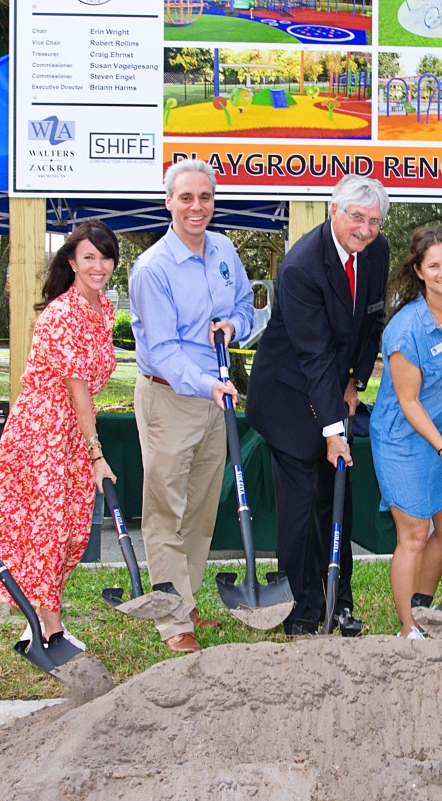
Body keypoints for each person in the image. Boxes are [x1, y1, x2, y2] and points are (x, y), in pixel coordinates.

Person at [245, 174, 390, 635]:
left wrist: (356, 383)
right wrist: (332, 432)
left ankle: (338, 602)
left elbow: (372, 322)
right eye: (356, 218)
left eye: (374, 220)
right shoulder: (302, 266)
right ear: (333, 211)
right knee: (302, 507)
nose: (365, 229)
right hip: (288, 396)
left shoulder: (376, 253)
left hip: (332, 388)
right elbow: (314, 356)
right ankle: (302, 611)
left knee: (337, 503)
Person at [0, 220, 119, 651]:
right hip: (44, 431)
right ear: (71, 261)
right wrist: (96, 455)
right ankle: (47, 628)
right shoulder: (61, 314)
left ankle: (39, 616)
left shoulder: (103, 310)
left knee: (73, 530)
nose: (98, 265)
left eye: (105, 257)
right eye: (88, 256)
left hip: (72, 431)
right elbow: (76, 390)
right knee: (50, 529)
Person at [130, 159, 253, 654]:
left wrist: (234, 327)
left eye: (205, 197)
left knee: (201, 510)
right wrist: (208, 384)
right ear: (169, 203)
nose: (196, 207)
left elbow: (245, 304)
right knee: (165, 510)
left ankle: (187, 597)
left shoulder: (224, 249)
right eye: (186, 198)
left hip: (214, 396)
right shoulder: (152, 268)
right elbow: (161, 349)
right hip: (171, 396)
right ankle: (172, 621)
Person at [370, 227, 442, 639]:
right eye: (433, 265)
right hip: (405, 439)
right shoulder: (405, 330)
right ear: (418, 271)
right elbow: (409, 401)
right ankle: (408, 628)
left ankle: (424, 609)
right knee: (413, 534)